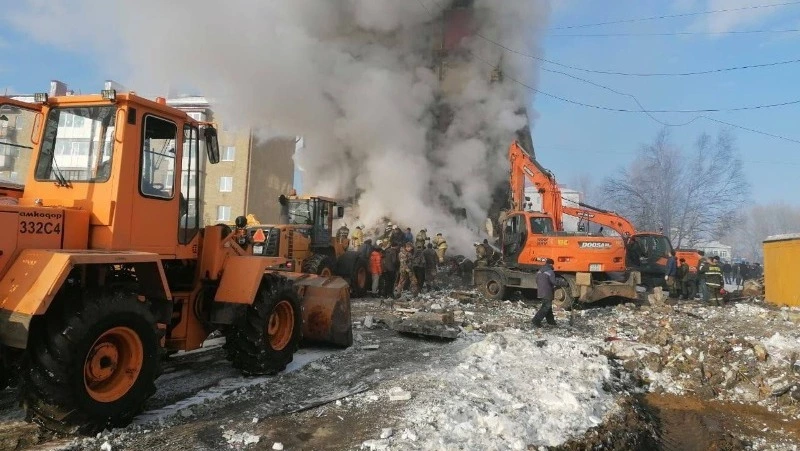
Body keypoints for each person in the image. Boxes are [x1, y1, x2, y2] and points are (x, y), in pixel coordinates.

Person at [532, 258, 562, 328]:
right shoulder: (550, 271)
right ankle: (536, 320)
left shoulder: (539, 271)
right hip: (547, 291)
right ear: (551, 264)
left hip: (540, 291)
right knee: (546, 307)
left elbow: (536, 280)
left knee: (548, 306)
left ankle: (551, 322)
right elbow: (553, 282)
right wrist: (562, 283)